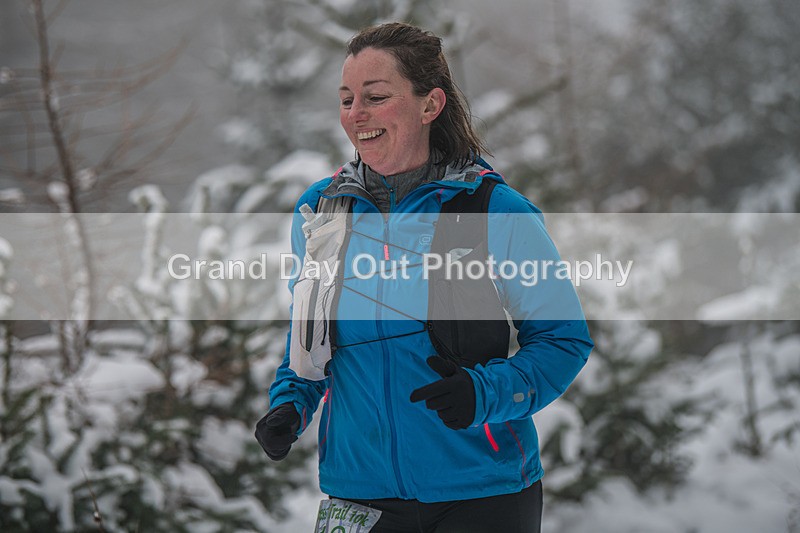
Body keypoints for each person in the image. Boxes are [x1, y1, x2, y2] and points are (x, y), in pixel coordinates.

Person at [255, 22, 593, 533]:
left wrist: (485, 393)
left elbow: (563, 339)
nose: (356, 115)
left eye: (375, 97)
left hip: (481, 491)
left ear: (429, 105)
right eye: (347, 99)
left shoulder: (494, 211)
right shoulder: (320, 215)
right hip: (358, 490)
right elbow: (309, 340)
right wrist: (289, 405)